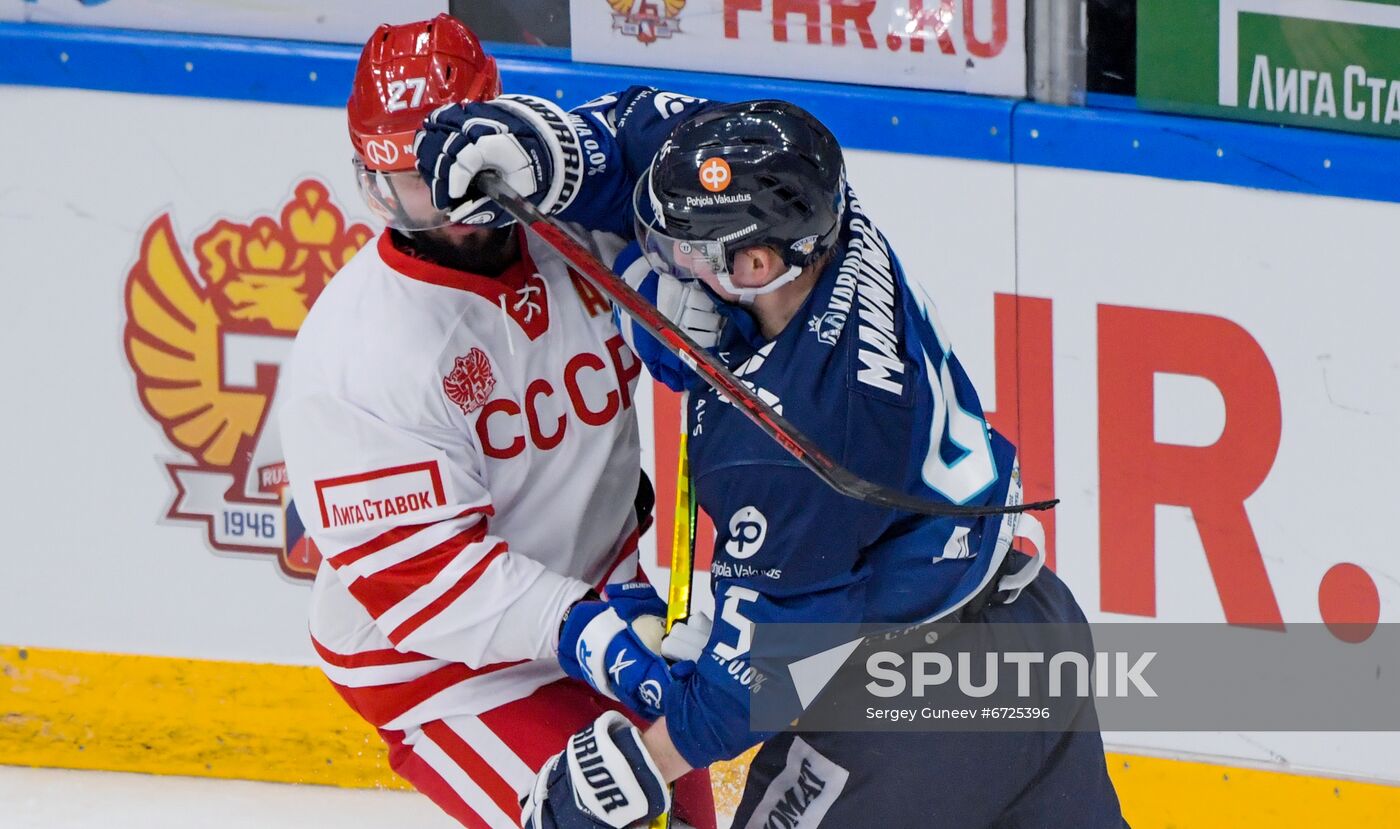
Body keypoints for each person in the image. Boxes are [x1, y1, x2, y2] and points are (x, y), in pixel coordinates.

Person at [414, 88, 1129, 827]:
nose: (671, 264)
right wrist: (550, 147)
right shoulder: (832, 222)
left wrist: (632, 768)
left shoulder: (783, 446)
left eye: (690, 253)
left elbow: (760, 684)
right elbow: (675, 141)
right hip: (1031, 625)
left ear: (755, 264)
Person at [277, 18, 716, 829]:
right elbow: (428, 579)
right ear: (374, 180)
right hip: (439, 667)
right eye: (415, 183)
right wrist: (587, 632)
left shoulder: (576, 223)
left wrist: (695, 298)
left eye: (459, 172)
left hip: (600, 598)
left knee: (685, 814)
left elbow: (696, 150)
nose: (452, 210)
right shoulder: (355, 360)